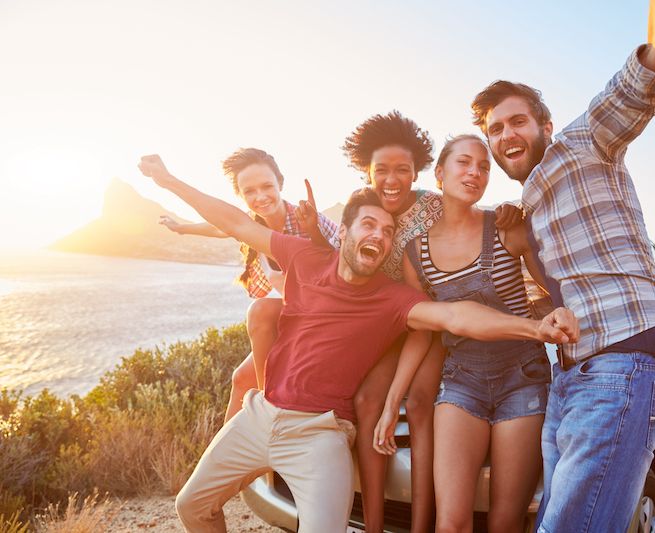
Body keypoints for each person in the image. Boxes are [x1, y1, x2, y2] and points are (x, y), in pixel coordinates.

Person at [137, 154, 579, 532]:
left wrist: (535, 329)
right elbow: (233, 221)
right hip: (260, 414)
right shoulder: (303, 256)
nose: (379, 237)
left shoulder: (392, 300)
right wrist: (169, 180)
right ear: (343, 232)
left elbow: (456, 315)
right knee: (191, 505)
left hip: (319, 433)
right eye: (369, 225)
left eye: (387, 233)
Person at [470, 1, 655, 530]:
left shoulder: (585, 144)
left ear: (545, 124)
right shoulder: (524, 209)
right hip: (570, 381)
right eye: (495, 129)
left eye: (517, 120)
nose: (507, 135)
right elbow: (567, 288)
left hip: (624, 369)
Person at [342, 111, 525, 532]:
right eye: (381, 171)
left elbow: (475, 212)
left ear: (420, 172)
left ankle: (422, 524)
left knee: (422, 401)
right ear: (366, 172)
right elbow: (341, 248)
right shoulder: (363, 208)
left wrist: (511, 211)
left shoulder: (435, 203)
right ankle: (373, 524)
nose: (391, 180)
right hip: (388, 328)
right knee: (369, 402)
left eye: (402, 170)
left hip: (432, 326)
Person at [374, 134, 551, 532]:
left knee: (504, 522)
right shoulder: (415, 253)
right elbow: (423, 331)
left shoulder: (507, 228)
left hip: (523, 377)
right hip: (461, 383)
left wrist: (653, 278)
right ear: (439, 173)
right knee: (451, 522)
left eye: (484, 167)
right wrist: (391, 403)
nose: (474, 173)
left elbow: (556, 287)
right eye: (464, 163)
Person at [158, 148, 339, 422]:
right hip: (296, 314)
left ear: (280, 184)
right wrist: (181, 228)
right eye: (249, 191)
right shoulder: (251, 223)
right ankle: (224, 460)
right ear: (241, 196)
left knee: (262, 310)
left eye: (267, 186)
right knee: (242, 379)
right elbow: (220, 227)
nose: (260, 197)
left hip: (328, 317)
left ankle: (268, 410)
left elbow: (347, 263)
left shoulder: (308, 219)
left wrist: (314, 231)